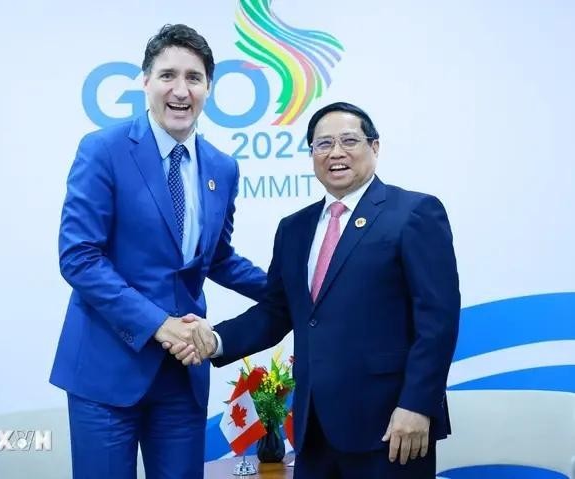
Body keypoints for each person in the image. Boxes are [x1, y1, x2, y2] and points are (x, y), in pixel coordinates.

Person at [171, 102, 460, 478]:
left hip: (391, 427)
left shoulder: (414, 213)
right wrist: (214, 339)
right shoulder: (294, 228)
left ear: (375, 147)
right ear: (311, 155)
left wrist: (418, 405)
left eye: (349, 141)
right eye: (323, 144)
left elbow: (438, 320)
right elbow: (276, 312)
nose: (336, 153)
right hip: (314, 429)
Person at [49, 23, 267, 479]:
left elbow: (218, 258)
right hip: (108, 369)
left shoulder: (223, 168)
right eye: (168, 75)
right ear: (145, 80)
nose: (181, 90)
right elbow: (80, 257)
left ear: (209, 88)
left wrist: (293, 290)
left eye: (194, 77)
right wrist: (158, 325)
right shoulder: (103, 150)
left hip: (180, 376)